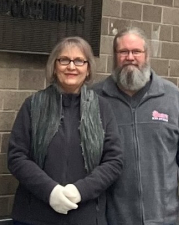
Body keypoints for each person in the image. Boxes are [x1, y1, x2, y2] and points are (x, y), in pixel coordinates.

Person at [7, 36, 123, 225]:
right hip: (34, 216)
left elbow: (114, 161)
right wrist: (50, 192)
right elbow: (16, 157)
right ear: (54, 66)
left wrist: (80, 191)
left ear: (88, 69)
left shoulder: (102, 108)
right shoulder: (32, 106)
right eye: (64, 60)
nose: (71, 67)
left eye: (79, 61)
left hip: (86, 217)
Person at [93, 27, 179, 225]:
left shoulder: (172, 97)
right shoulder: (95, 98)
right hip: (112, 217)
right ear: (115, 56)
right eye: (123, 52)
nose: (130, 57)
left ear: (147, 55)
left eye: (136, 51)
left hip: (165, 217)